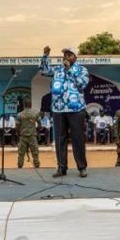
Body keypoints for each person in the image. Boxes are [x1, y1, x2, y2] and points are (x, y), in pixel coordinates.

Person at [39, 46, 89, 178]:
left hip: (76, 109)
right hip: (58, 109)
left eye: (69, 54)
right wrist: (45, 56)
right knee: (60, 139)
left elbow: (82, 85)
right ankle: (62, 168)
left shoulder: (82, 70)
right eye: (64, 54)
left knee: (77, 139)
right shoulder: (57, 70)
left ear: (75, 57)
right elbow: (44, 70)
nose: (66, 57)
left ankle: (82, 167)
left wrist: (69, 70)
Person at [16, 100, 40, 169]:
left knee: (21, 154)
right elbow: (40, 125)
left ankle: (20, 167)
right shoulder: (36, 113)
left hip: (23, 136)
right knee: (35, 153)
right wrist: (37, 133)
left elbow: (17, 126)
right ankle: (37, 165)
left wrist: (19, 134)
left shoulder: (20, 114)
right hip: (32, 136)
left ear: (24, 105)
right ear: (31, 105)